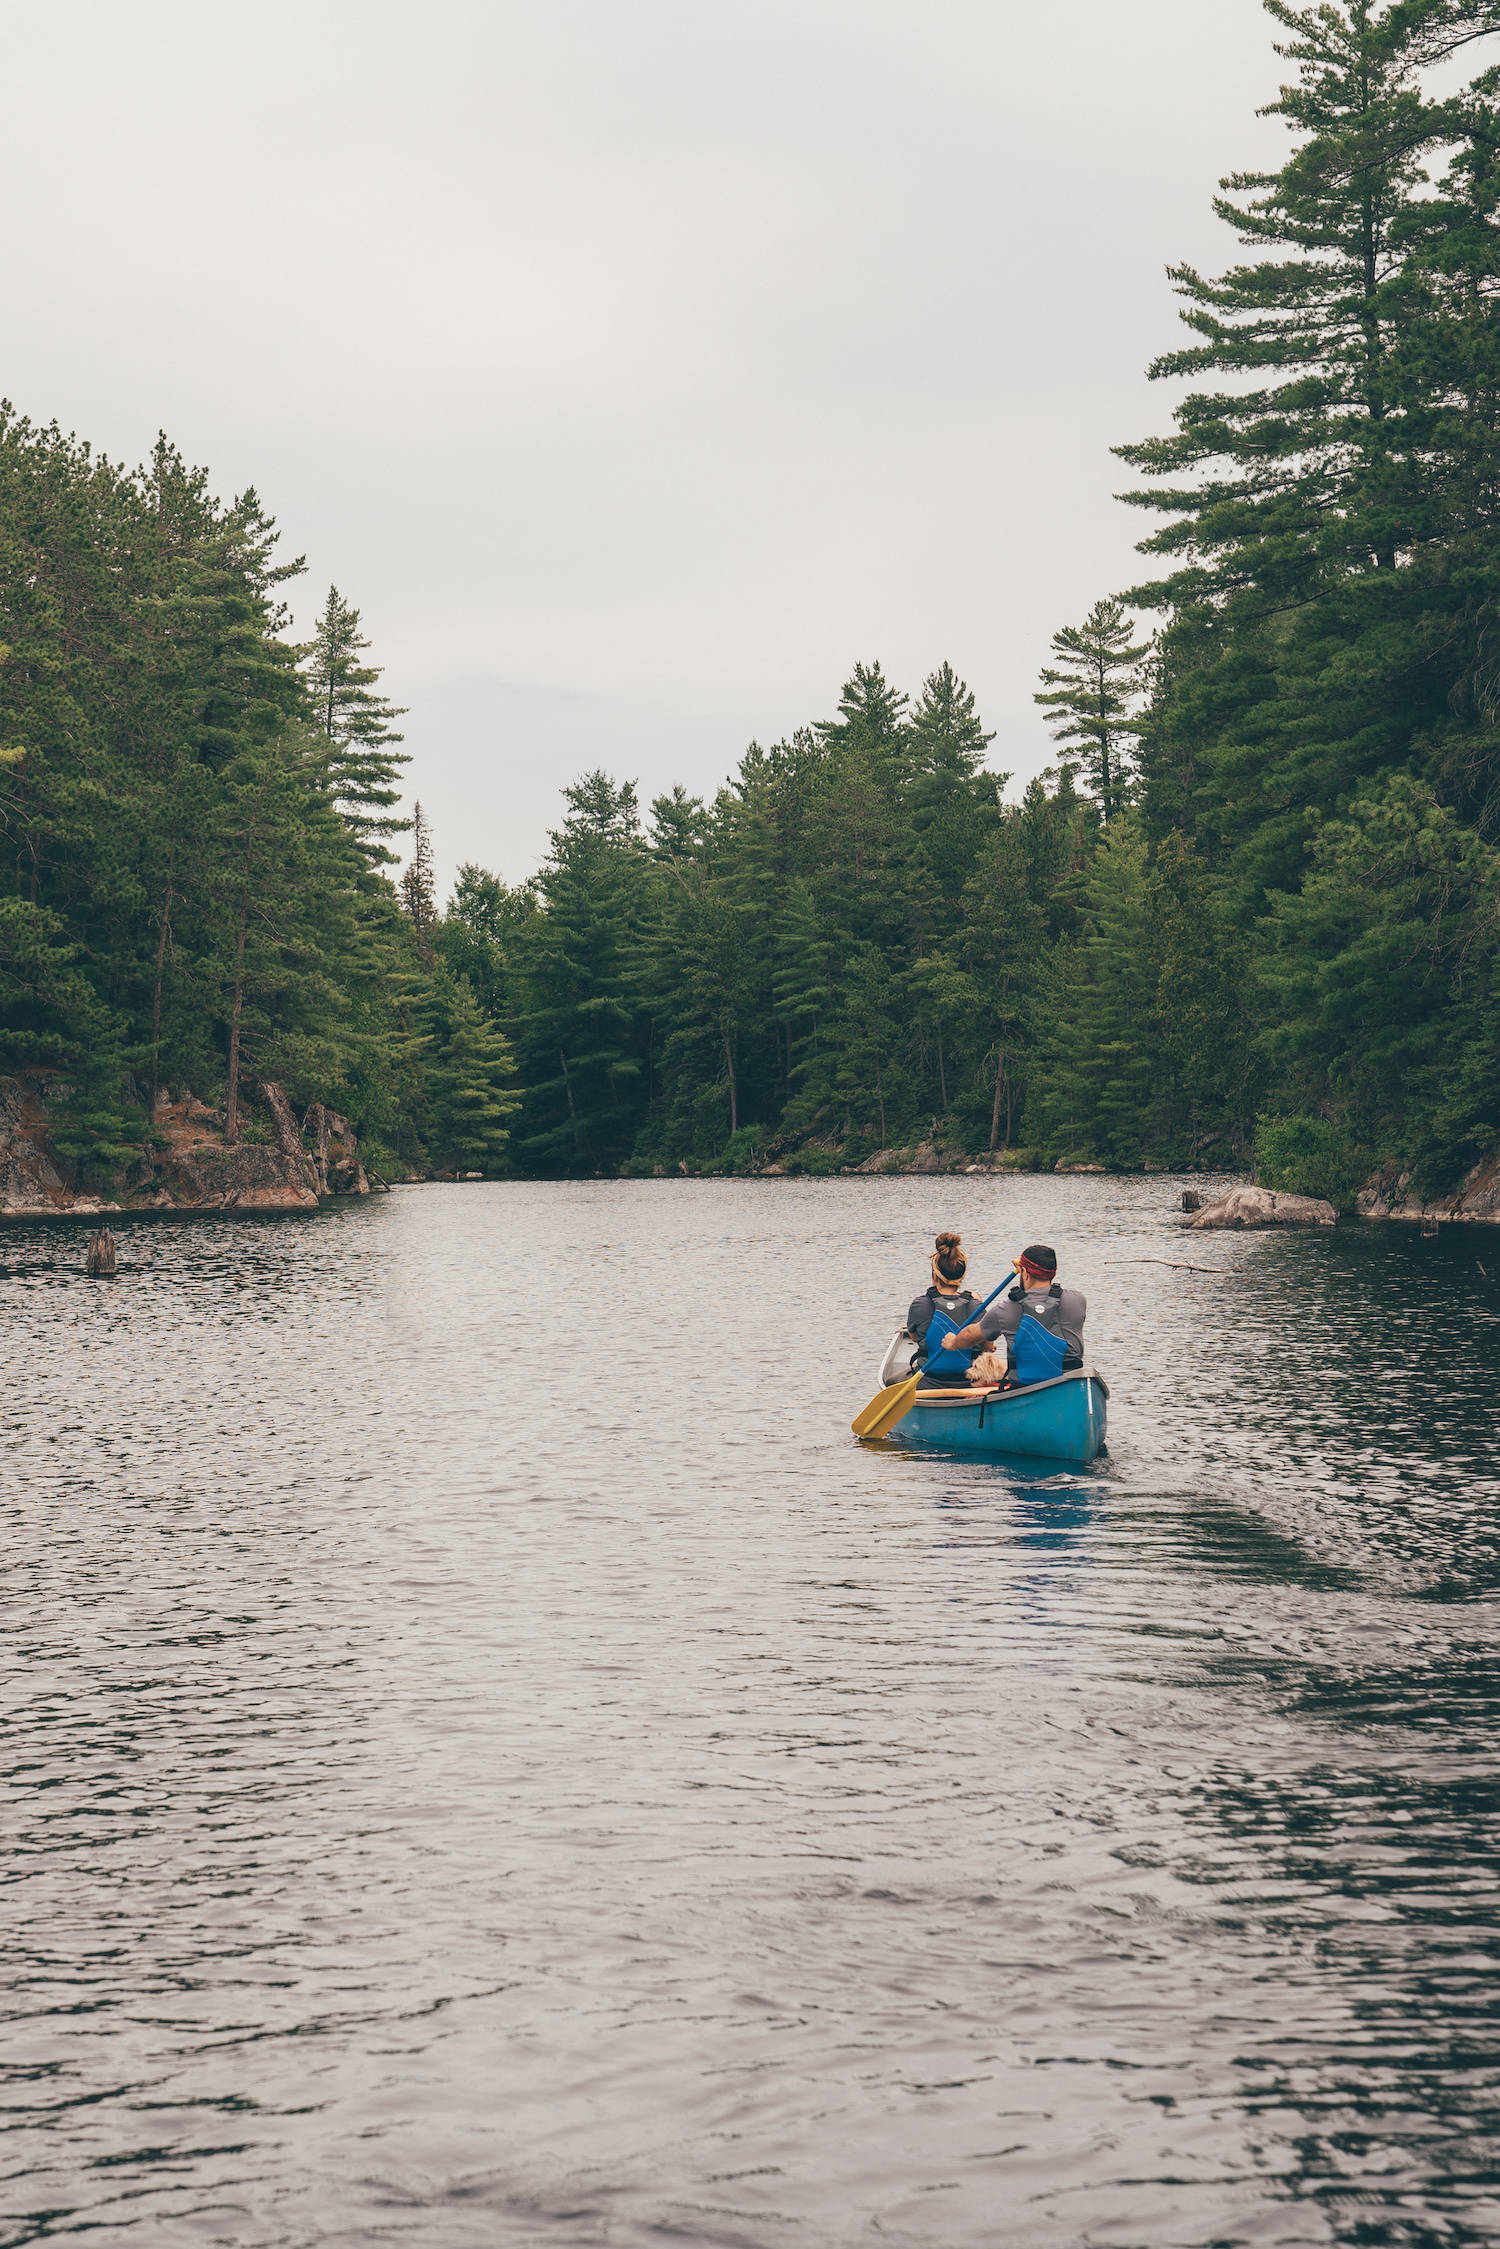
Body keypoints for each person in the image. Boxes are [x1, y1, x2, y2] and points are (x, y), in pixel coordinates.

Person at [950, 1243, 1086, 1383]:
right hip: (1071, 1384)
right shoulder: (1078, 1300)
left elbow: (970, 1336)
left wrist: (953, 1342)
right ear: (1053, 1273)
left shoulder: (1005, 1309)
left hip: (1025, 1388)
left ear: (1025, 1274)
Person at [903, 1231, 981, 1388]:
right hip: (968, 1384)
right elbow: (986, 1345)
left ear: (934, 1275)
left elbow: (913, 1336)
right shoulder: (976, 1306)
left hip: (927, 1382)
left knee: (895, 1379)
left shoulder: (920, 1304)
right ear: (962, 1276)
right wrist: (979, 1303)